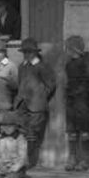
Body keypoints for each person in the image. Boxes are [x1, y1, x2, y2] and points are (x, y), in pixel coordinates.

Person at [16, 38, 57, 168]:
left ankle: (31, 161)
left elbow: (50, 85)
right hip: (22, 104)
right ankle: (22, 160)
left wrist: (41, 96)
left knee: (33, 133)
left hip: (36, 106)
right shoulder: (22, 66)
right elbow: (20, 82)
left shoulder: (42, 66)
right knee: (22, 131)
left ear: (35, 52)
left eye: (29, 52)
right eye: (24, 52)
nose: (27, 54)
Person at [64, 34, 89, 171]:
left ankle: (85, 159)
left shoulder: (85, 65)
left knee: (84, 130)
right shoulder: (68, 65)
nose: (66, 50)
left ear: (74, 49)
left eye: (68, 48)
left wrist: (82, 92)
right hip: (72, 100)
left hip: (83, 101)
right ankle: (72, 158)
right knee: (71, 130)